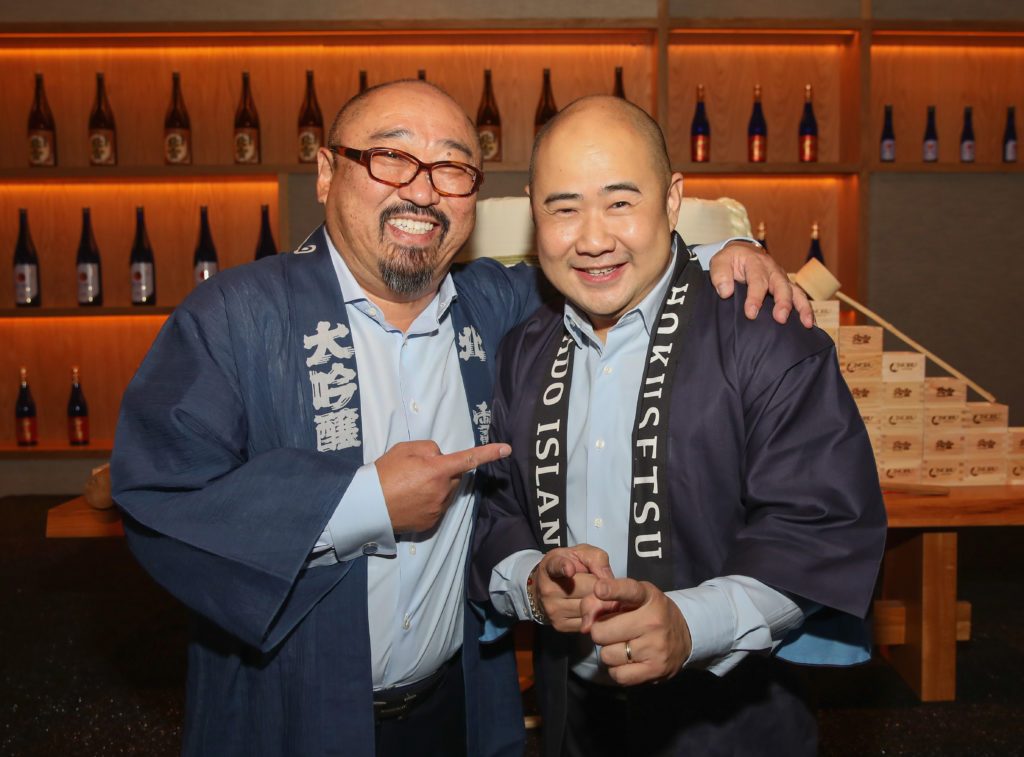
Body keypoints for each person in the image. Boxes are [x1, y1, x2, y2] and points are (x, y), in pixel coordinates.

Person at [110, 80, 813, 757]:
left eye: (452, 167)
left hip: (459, 705)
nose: (421, 188)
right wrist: (365, 501)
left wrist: (726, 251)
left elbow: (606, 259)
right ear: (326, 172)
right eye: (389, 156)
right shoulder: (236, 317)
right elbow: (158, 492)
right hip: (290, 711)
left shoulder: (496, 306)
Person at [469, 95, 888, 757]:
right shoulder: (523, 348)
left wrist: (690, 626)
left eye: (620, 201)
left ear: (672, 200)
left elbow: (818, 524)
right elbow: (495, 510)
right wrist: (530, 578)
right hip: (571, 711)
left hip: (732, 714)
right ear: (533, 213)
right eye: (564, 207)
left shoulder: (760, 330)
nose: (593, 236)